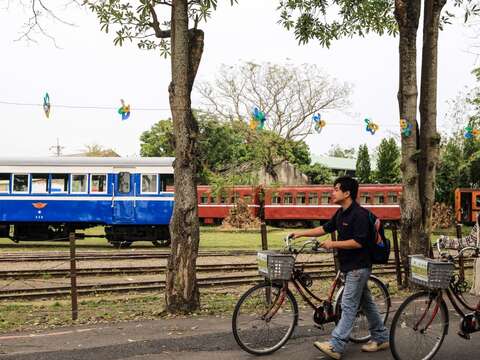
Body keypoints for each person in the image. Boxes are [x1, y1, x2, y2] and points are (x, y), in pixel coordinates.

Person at [289, 176, 389, 360]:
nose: (332, 192)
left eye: (335, 189)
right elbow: (324, 229)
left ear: (347, 193)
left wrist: (333, 245)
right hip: (349, 266)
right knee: (366, 303)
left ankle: (336, 345)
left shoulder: (358, 215)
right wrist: (300, 234)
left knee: (348, 306)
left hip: (359, 267)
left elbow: (358, 242)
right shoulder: (340, 213)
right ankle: (381, 338)